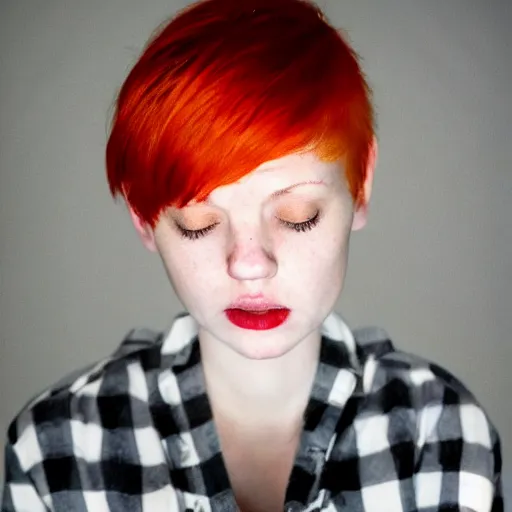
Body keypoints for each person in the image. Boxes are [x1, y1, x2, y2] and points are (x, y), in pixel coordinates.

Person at [1, 0, 503, 510]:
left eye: (297, 214)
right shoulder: (54, 451)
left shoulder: (439, 434)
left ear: (361, 183)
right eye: (198, 223)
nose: (249, 264)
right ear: (143, 217)